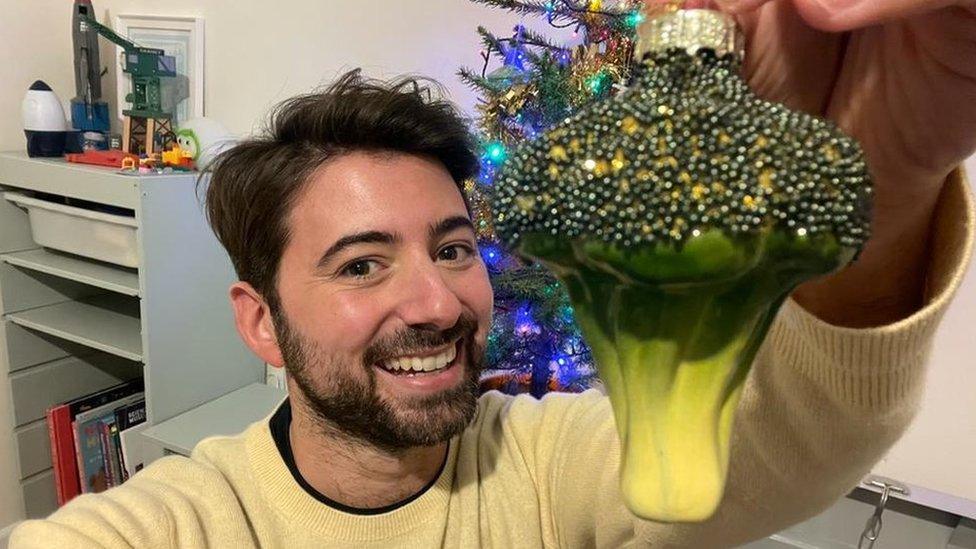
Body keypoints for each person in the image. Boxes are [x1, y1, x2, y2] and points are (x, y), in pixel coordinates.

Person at [11, 0, 975, 547]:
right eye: (360, 263)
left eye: (454, 246)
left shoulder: (549, 464)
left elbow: (791, 445)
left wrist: (893, 177)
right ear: (259, 322)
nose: (438, 302)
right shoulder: (186, 522)